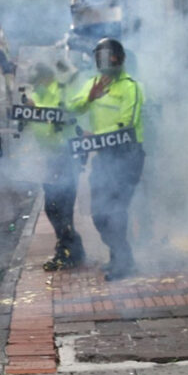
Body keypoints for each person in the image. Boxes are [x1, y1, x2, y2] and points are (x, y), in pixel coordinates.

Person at [67, 37, 145, 281]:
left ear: (120, 58)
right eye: (101, 56)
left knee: (117, 211)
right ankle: (121, 255)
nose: (106, 61)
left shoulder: (131, 86)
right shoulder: (93, 83)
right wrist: (89, 97)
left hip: (127, 156)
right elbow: (72, 108)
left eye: (110, 56)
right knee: (100, 214)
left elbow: (126, 123)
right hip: (103, 157)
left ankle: (123, 262)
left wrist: (94, 135)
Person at [27, 63, 86, 271]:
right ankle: (70, 247)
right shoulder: (37, 96)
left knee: (63, 207)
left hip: (67, 157)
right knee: (52, 207)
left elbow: (63, 115)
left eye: (37, 82)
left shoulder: (61, 92)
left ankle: (69, 251)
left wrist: (36, 111)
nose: (35, 86)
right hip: (50, 158)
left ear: (46, 79)